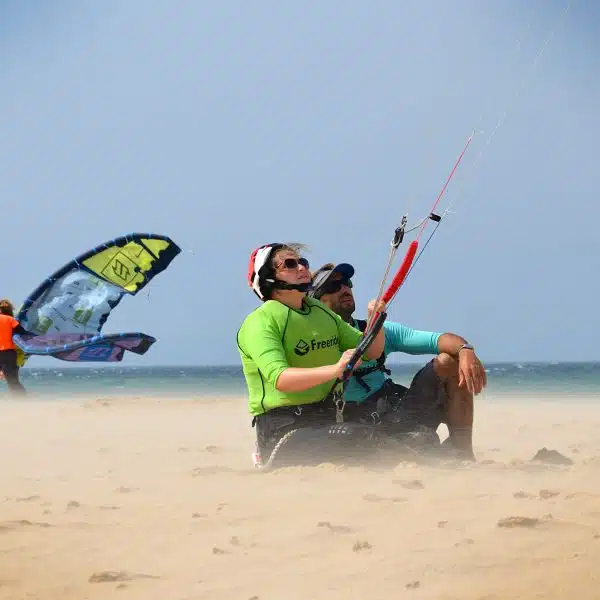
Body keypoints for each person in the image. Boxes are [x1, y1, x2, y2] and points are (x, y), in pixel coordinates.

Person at [309, 262, 487, 461]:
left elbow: (439, 340)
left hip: (396, 411)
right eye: (334, 286)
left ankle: (462, 452)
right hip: (354, 425)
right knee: (411, 447)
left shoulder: (378, 329)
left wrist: (465, 350)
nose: (345, 289)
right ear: (316, 300)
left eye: (347, 283)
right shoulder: (311, 342)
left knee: (449, 360)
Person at [237, 243, 386, 467]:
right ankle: (265, 455)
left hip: (325, 417)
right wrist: (335, 370)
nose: (301, 268)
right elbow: (280, 379)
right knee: (361, 439)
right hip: (283, 426)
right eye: (290, 264)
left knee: (391, 434)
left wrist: (377, 320)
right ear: (267, 276)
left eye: (302, 262)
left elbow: (372, 352)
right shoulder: (260, 322)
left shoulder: (320, 311)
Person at [0, 299, 29, 395]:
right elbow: (22, 331)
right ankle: (22, 399)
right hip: (9, 354)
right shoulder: (10, 320)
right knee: (13, 380)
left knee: (10, 381)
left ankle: (17, 401)